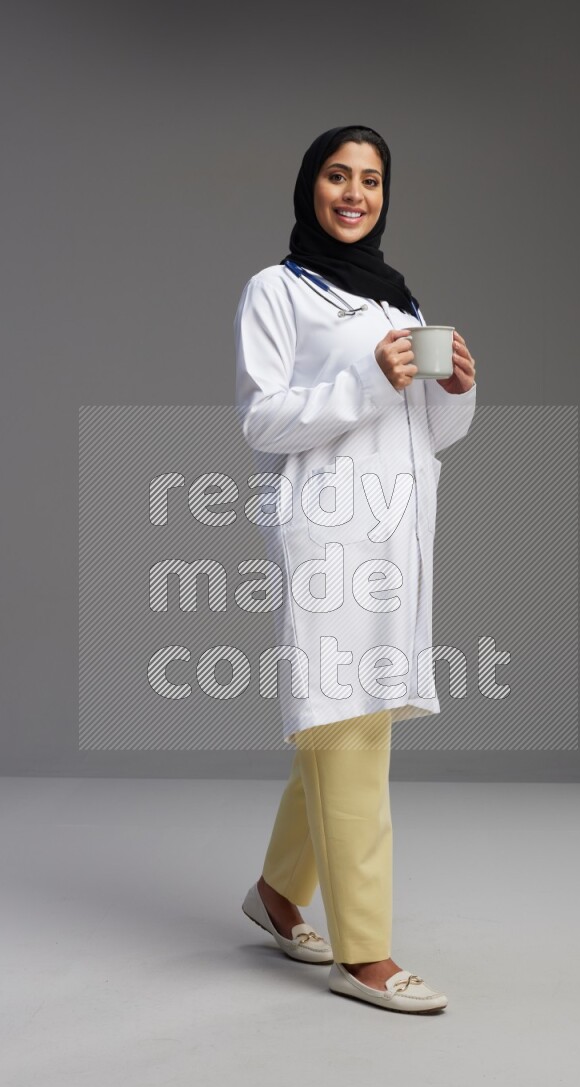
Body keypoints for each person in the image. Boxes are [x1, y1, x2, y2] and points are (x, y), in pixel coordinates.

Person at [234, 124, 477, 1013]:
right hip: (328, 536)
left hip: (396, 534)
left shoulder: (398, 303)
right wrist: (372, 380)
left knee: (346, 720)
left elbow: (419, 434)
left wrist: (454, 394)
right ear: (310, 186)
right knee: (351, 732)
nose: (354, 193)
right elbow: (262, 420)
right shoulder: (278, 290)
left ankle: (275, 894)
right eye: (338, 175)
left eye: (371, 180)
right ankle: (364, 953)